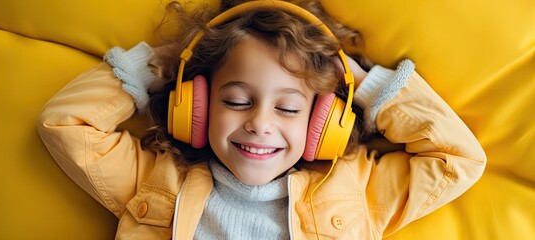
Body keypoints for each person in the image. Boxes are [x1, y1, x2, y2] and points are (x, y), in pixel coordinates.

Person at [36, 0, 486, 239]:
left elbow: (458, 159)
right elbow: (65, 123)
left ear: (323, 122)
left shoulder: (357, 192)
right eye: (235, 101)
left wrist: (364, 84)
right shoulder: (155, 181)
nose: (259, 122)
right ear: (196, 107)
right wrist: (162, 65)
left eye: (288, 108)